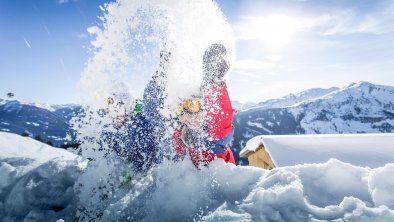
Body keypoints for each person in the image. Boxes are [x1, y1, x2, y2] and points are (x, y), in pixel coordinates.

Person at [173, 43, 235, 166]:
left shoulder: (213, 137)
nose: (189, 115)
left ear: (205, 108)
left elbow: (220, 117)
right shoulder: (179, 136)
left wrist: (214, 82)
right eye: (182, 108)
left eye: (193, 105)